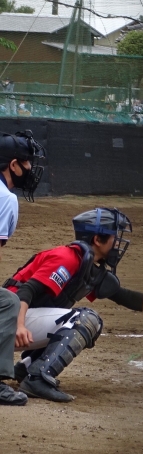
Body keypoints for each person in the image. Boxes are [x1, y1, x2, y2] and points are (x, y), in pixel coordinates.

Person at [9, 208, 143, 402]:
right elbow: (27, 290)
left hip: (13, 322)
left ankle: (26, 369)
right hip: (9, 320)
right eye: (114, 237)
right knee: (84, 319)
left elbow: (125, 297)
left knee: (73, 319)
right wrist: (19, 325)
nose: (118, 243)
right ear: (97, 239)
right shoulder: (67, 258)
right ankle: (38, 379)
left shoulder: (86, 265)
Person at [0, 131, 46, 406]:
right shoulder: (5, 198)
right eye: (27, 162)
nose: (30, 168)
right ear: (13, 165)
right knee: (7, 302)